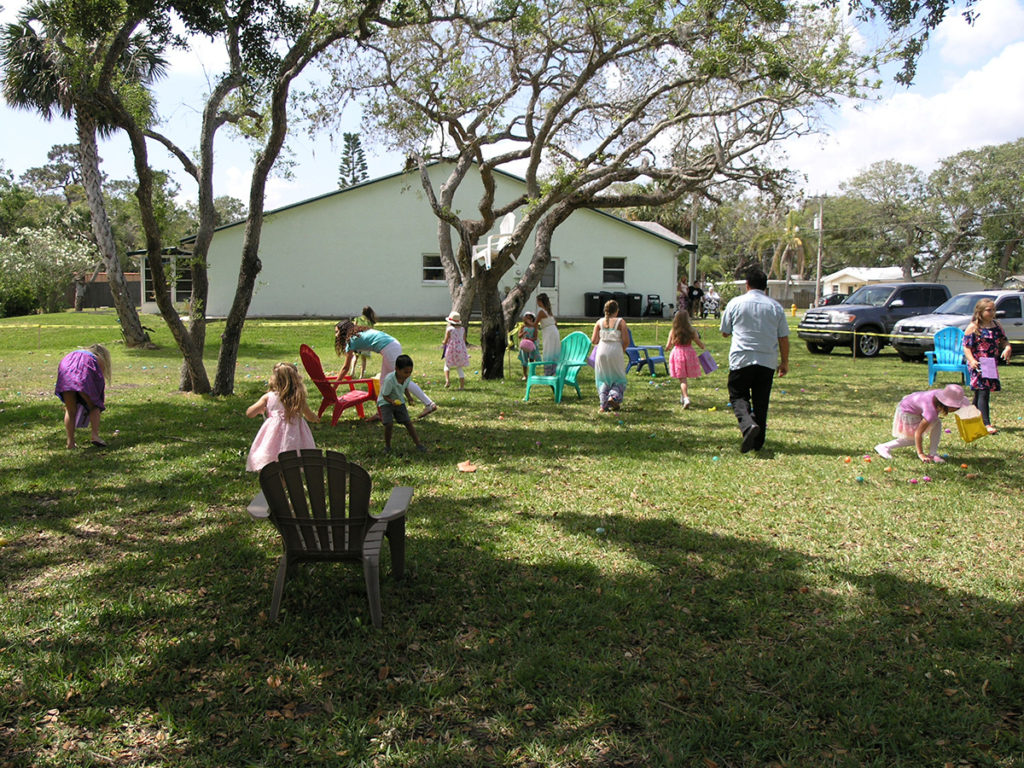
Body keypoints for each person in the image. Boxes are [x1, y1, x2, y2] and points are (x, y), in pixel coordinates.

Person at [720, 267, 789, 453]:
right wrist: (784, 362)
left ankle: (748, 425)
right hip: (767, 360)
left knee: (738, 395)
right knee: (761, 400)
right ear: (765, 287)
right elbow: (783, 337)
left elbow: (725, 332)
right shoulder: (775, 307)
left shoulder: (735, 303)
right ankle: (758, 443)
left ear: (747, 284)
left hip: (742, 358)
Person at [335, 320, 438, 418]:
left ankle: (429, 404)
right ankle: (381, 413)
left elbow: (345, 368)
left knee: (403, 379)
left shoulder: (351, 340)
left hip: (389, 348)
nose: (336, 335)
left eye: (337, 332)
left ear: (343, 331)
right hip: (392, 345)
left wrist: (334, 387)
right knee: (383, 381)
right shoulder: (359, 333)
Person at [245, 362, 319, 472]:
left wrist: (260, 409)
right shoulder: (298, 399)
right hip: (294, 438)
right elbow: (309, 415)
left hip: (272, 437)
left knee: (271, 461)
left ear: (274, 379)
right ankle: (286, 484)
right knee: (290, 467)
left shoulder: (268, 397)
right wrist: (315, 418)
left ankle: (273, 486)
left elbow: (250, 413)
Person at [874, 383, 971, 462]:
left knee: (937, 423)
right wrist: (921, 454)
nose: (958, 409)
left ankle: (933, 453)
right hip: (907, 411)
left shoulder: (939, 397)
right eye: (957, 406)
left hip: (914, 404)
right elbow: (918, 433)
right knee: (912, 439)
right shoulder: (931, 411)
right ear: (947, 404)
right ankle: (883, 446)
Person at [962, 298, 1012, 434]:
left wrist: (1007, 348)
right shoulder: (973, 327)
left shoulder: (996, 325)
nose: (992, 312)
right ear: (980, 311)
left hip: (990, 363)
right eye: (989, 310)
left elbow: (1004, 340)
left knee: (981, 393)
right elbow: (966, 347)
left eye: (993, 310)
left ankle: (969, 419)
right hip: (977, 362)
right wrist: (972, 360)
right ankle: (986, 424)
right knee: (983, 391)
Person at [54, 343, 112, 449]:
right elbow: (98, 381)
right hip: (83, 373)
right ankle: (95, 435)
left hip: (66, 371)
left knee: (70, 410)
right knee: (94, 406)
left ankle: (70, 442)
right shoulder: (96, 358)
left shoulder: (72, 354)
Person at [378, 354, 426, 454]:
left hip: (399, 401)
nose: (408, 374)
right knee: (389, 424)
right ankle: (387, 447)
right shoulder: (389, 380)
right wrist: (392, 402)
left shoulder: (407, 378)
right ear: (396, 369)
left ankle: (418, 444)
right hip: (385, 402)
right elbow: (384, 395)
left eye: (410, 372)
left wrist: (409, 397)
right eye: (405, 372)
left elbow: (405, 387)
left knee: (408, 423)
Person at [590, 299, 630, 413]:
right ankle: (614, 397)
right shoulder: (621, 322)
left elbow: (594, 340)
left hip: (602, 350)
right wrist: (621, 350)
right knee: (618, 377)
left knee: (603, 378)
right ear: (616, 311)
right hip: (615, 349)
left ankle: (603, 405)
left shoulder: (599, 322)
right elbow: (626, 340)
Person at [666, 310, 706, 409]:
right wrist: (703, 346)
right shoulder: (692, 330)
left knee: (682, 379)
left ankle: (686, 398)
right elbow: (699, 343)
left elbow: (668, 345)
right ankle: (683, 397)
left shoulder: (673, 331)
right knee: (684, 378)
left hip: (678, 354)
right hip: (689, 354)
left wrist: (666, 348)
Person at [442, 310, 470, 390]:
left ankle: (447, 380)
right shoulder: (462, 329)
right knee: (459, 368)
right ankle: (462, 386)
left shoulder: (449, 329)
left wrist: (443, 342)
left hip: (451, 349)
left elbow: (446, 340)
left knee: (447, 365)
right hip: (460, 349)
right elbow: (464, 339)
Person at [536, 292, 561, 374]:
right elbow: (555, 323)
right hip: (554, 331)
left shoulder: (541, 312)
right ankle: (554, 369)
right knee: (554, 349)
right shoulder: (549, 311)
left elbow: (535, 324)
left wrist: (527, 322)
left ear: (540, 301)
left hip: (548, 333)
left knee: (548, 350)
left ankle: (548, 370)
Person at [353, 306, 378, 377]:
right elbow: (371, 332)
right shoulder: (370, 322)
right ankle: (361, 375)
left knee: (355, 356)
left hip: (357, 340)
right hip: (366, 341)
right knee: (363, 359)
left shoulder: (357, 319)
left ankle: (352, 371)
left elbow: (354, 328)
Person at [518, 311, 540, 379]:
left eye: (529, 318)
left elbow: (535, 337)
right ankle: (525, 375)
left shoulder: (534, 327)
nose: (528, 320)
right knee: (524, 360)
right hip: (524, 345)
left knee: (531, 359)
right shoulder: (523, 326)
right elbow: (519, 336)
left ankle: (531, 373)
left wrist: (530, 339)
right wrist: (523, 333)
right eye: (526, 318)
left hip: (532, 345)